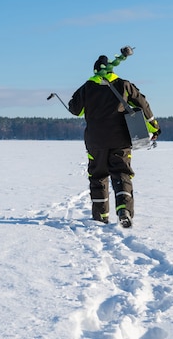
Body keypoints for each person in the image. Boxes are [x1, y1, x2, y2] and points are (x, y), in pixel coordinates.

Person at [68, 49, 160, 227]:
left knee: (98, 177)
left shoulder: (87, 87)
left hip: (95, 141)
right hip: (121, 140)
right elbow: (143, 105)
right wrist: (154, 127)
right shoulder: (124, 85)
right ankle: (124, 209)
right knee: (122, 174)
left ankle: (100, 218)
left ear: (95, 71)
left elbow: (75, 109)